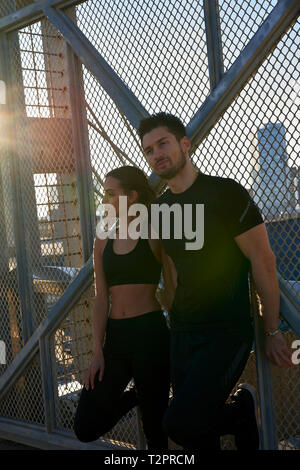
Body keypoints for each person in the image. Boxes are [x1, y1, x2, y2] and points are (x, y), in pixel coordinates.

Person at [137, 112, 294, 450]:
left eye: (163, 143)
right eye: (148, 150)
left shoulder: (226, 193)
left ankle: (240, 412)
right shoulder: (160, 209)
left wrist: (271, 330)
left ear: (185, 143)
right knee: (197, 437)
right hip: (182, 331)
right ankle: (235, 420)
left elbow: (263, 261)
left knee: (180, 422)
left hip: (226, 331)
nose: (156, 154)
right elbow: (172, 270)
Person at [73, 165, 170, 450]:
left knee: (155, 431)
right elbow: (101, 298)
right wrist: (97, 350)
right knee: (86, 426)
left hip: (150, 334)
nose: (104, 199)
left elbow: (175, 284)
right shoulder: (103, 236)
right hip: (116, 338)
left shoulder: (154, 231)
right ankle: (136, 396)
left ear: (132, 195)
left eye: (110, 193)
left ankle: (147, 396)